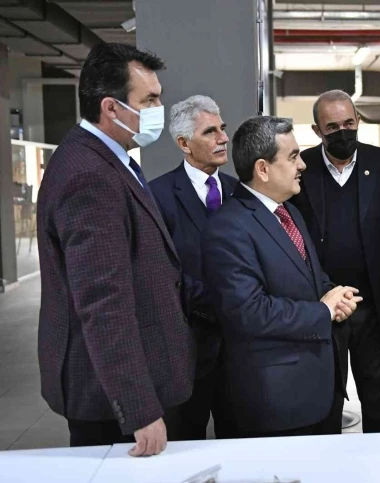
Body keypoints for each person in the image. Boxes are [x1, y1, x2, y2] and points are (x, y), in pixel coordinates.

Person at [36, 43, 194, 456]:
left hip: (126, 379)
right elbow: (103, 301)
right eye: (150, 100)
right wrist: (138, 407)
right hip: (110, 399)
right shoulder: (89, 176)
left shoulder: (109, 158)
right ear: (111, 107)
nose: (159, 109)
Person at [203, 116, 362, 438]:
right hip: (274, 402)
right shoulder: (229, 228)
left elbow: (312, 277)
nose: (302, 165)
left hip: (319, 389)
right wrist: (324, 310)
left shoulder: (288, 212)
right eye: (293, 157)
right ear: (263, 169)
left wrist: (336, 296)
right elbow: (248, 312)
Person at [290, 90, 380, 433]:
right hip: (323, 305)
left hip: (375, 301)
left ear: (357, 121)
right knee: (325, 402)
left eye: (349, 123)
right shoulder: (302, 167)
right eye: (332, 127)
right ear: (317, 130)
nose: (343, 132)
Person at [149, 95, 237, 441]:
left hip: (238, 349)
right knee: (185, 444)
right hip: (186, 349)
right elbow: (160, 274)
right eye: (210, 132)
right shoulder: (157, 196)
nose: (223, 138)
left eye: (222, 129)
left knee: (241, 442)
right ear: (184, 143)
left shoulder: (238, 192)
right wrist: (221, 300)